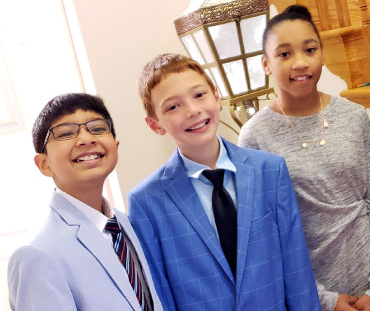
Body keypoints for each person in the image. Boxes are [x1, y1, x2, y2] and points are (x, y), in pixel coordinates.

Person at [238, 5, 370, 311]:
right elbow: (266, 235)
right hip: (311, 297)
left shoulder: (353, 117)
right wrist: (321, 299)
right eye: (284, 54)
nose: (300, 63)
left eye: (309, 50)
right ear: (266, 64)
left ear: (322, 55)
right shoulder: (254, 137)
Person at [128, 53, 320, 311]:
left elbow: (296, 268)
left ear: (216, 97)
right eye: (173, 107)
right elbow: (161, 293)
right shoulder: (146, 202)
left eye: (199, 95)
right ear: (155, 125)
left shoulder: (269, 171)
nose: (193, 111)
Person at [8, 93, 163, 311]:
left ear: (115, 147)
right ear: (44, 164)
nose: (86, 139)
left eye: (98, 128)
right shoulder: (37, 256)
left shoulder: (129, 225)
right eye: (66, 133)